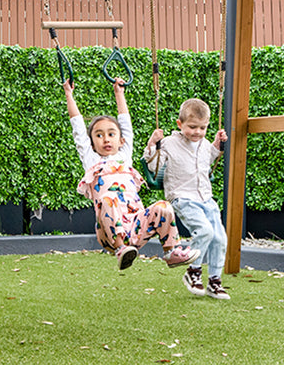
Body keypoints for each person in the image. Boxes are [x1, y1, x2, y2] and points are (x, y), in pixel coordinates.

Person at [63, 78, 199, 271]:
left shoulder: (124, 156)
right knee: (108, 199)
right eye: (99, 136)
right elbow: (78, 128)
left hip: (136, 224)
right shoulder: (91, 160)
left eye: (111, 134)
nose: (106, 139)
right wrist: (69, 93)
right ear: (92, 144)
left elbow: (125, 123)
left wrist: (119, 93)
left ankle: (171, 251)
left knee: (163, 207)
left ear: (121, 140)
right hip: (109, 233)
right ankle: (121, 251)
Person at [142, 98, 231, 299]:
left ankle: (215, 281)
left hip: (206, 198)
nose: (197, 132)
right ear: (180, 124)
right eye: (192, 127)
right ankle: (193, 271)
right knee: (205, 231)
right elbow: (152, 164)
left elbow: (208, 160)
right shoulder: (169, 143)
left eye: (202, 128)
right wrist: (152, 143)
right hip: (183, 197)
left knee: (220, 238)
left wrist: (217, 145)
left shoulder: (205, 143)